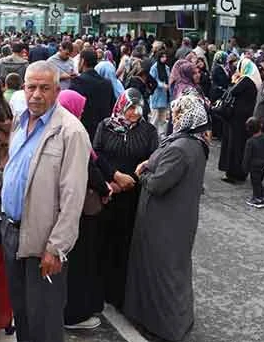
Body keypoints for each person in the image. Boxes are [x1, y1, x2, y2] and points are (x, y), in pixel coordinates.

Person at [1, 61, 91, 342]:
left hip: (44, 242)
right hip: (12, 232)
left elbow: (73, 197)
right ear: (23, 88)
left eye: (44, 88)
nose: (36, 94)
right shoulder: (19, 120)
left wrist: (56, 247)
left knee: (45, 319)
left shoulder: (71, 132)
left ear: (57, 90)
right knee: (22, 311)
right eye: (31, 87)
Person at [123, 94, 209, 342]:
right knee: (171, 270)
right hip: (178, 218)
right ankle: (169, 321)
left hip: (164, 220)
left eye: (179, 113)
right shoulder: (194, 142)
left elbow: (159, 184)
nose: (174, 117)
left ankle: (164, 326)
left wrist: (142, 173)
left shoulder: (180, 149)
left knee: (161, 272)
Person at [92, 88, 158, 312]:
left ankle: (118, 293)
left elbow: (152, 158)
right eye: (130, 108)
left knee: (125, 243)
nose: (133, 113)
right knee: (102, 241)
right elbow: (96, 154)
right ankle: (97, 290)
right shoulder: (105, 126)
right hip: (109, 191)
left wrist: (134, 178)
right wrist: (113, 177)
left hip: (133, 194)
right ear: (121, 106)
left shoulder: (148, 131)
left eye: (138, 109)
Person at [57, 90, 110, 330]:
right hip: (77, 210)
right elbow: (88, 167)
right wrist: (105, 188)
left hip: (58, 208)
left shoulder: (53, 128)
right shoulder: (74, 134)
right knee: (78, 262)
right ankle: (74, 315)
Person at [218, 58, 260, 183]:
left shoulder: (246, 80)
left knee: (234, 145)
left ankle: (233, 173)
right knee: (241, 145)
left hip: (237, 118)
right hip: (245, 116)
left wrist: (233, 81)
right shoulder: (254, 80)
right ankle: (241, 171)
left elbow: (232, 91)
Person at [69, 49, 114, 140]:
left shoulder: (78, 82)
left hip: (83, 131)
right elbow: (112, 105)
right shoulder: (107, 83)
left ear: (82, 61)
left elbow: (72, 109)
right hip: (102, 132)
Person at [149, 51, 171, 139]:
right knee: (155, 116)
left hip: (165, 95)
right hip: (156, 94)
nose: (164, 58)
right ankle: (151, 134)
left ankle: (161, 134)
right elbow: (152, 80)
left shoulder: (166, 68)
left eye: (165, 56)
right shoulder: (154, 68)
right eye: (162, 57)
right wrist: (162, 85)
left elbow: (169, 77)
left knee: (163, 117)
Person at [209, 51, 230, 138]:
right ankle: (216, 132)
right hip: (217, 93)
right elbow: (221, 80)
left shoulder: (220, 67)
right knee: (216, 112)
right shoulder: (218, 68)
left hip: (219, 92)